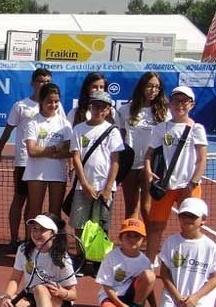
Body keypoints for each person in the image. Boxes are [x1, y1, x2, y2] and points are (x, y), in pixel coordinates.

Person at [143, 85, 207, 265]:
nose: (180, 105)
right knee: (156, 226)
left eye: (184, 101)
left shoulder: (197, 129)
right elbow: (149, 154)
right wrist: (148, 171)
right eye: (176, 101)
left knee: (191, 226)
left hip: (188, 186)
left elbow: (202, 159)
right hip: (165, 185)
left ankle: (191, 262)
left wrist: (193, 183)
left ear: (191, 105)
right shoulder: (161, 128)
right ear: (169, 104)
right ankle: (149, 262)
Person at [0, 215, 77, 307]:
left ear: (53, 234)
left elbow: (73, 294)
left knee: (40, 288)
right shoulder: (23, 250)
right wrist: (7, 297)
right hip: (30, 296)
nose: (36, 234)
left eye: (42, 230)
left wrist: (62, 292)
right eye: (34, 229)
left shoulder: (62, 258)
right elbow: (15, 279)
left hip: (57, 299)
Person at [0, 67, 55, 247]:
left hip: (44, 163)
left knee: (34, 204)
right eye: (40, 81)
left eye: (47, 81)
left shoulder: (55, 106)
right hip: (23, 161)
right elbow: (8, 130)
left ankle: (29, 240)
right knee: (19, 199)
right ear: (33, 83)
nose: (44, 84)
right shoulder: (20, 106)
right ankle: (14, 239)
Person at [156, 198, 216, 307]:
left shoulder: (211, 247)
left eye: (193, 216)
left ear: (203, 220)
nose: (187, 219)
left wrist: (195, 297)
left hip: (199, 298)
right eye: (184, 215)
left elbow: (214, 278)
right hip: (174, 296)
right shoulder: (171, 241)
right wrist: (176, 296)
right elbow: (164, 273)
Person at [69, 91, 123, 241]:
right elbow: (76, 157)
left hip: (104, 189)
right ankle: (81, 258)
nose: (99, 110)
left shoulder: (113, 131)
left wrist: (107, 188)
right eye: (96, 106)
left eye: (103, 108)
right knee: (79, 224)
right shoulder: (78, 129)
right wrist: (85, 184)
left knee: (101, 225)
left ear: (108, 110)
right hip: (82, 187)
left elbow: (115, 161)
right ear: (90, 107)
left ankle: (97, 260)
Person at [116, 72, 168, 222]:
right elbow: (120, 137)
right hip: (130, 166)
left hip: (151, 167)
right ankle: (131, 243)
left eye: (157, 87)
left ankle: (150, 242)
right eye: (150, 86)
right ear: (142, 87)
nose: (153, 90)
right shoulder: (125, 110)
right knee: (131, 209)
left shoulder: (165, 113)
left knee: (147, 209)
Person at [23, 83, 72, 224]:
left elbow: (69, 150)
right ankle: (30, 244)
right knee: (34, 211)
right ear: (41, 101)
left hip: (57, 173)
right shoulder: (33, 123)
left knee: (55, 213)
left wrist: (45, 151)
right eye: (49, 101)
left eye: (56, 101)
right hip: (36, 173)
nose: (53, 104)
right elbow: (32, 150)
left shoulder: (65, 124)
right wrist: (55, 149)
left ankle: (54, 244)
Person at [95, 218, 156, 307]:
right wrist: (120, 305)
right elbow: (106, 286)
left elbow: (149, 284)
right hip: (112, 296)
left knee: (149, 275)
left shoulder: (145, 261)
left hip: (133, 297)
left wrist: (154, 306)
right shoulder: (111, 257)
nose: (132, 240)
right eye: (128, 235)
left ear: (144, 240)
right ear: (120, 238)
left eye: (136, 236)